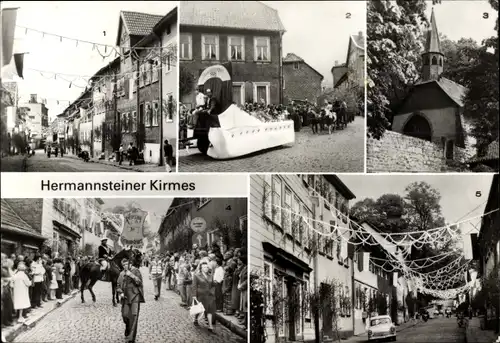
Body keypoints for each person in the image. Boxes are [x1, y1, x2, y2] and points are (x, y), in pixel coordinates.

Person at [117, 258, 145, 343]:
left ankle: (131, 338)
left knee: (134, 316)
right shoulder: (121, 273)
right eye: (123, 265)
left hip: (135, 295)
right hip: (125, 297)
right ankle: (128, 326)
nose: (125, 266)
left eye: (126, 264)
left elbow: (139, 282)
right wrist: (120, 292)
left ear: (130, 264)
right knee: (125, 315)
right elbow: (118, 285)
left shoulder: (136, 271)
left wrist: (131, 275)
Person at [192, 261, 216, 332]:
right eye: (204, 267)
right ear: (201, 268)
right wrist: (194, 295)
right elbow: (194, 286)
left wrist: (214, 286)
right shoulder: (196, 275)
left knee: (210, 309)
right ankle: (196, 319)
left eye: (206, 267)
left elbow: (213, 285)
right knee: (199, 309)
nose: (206, 268)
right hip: (200, 295)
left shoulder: (210, 275)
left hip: (209, 295)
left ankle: (210, 325)